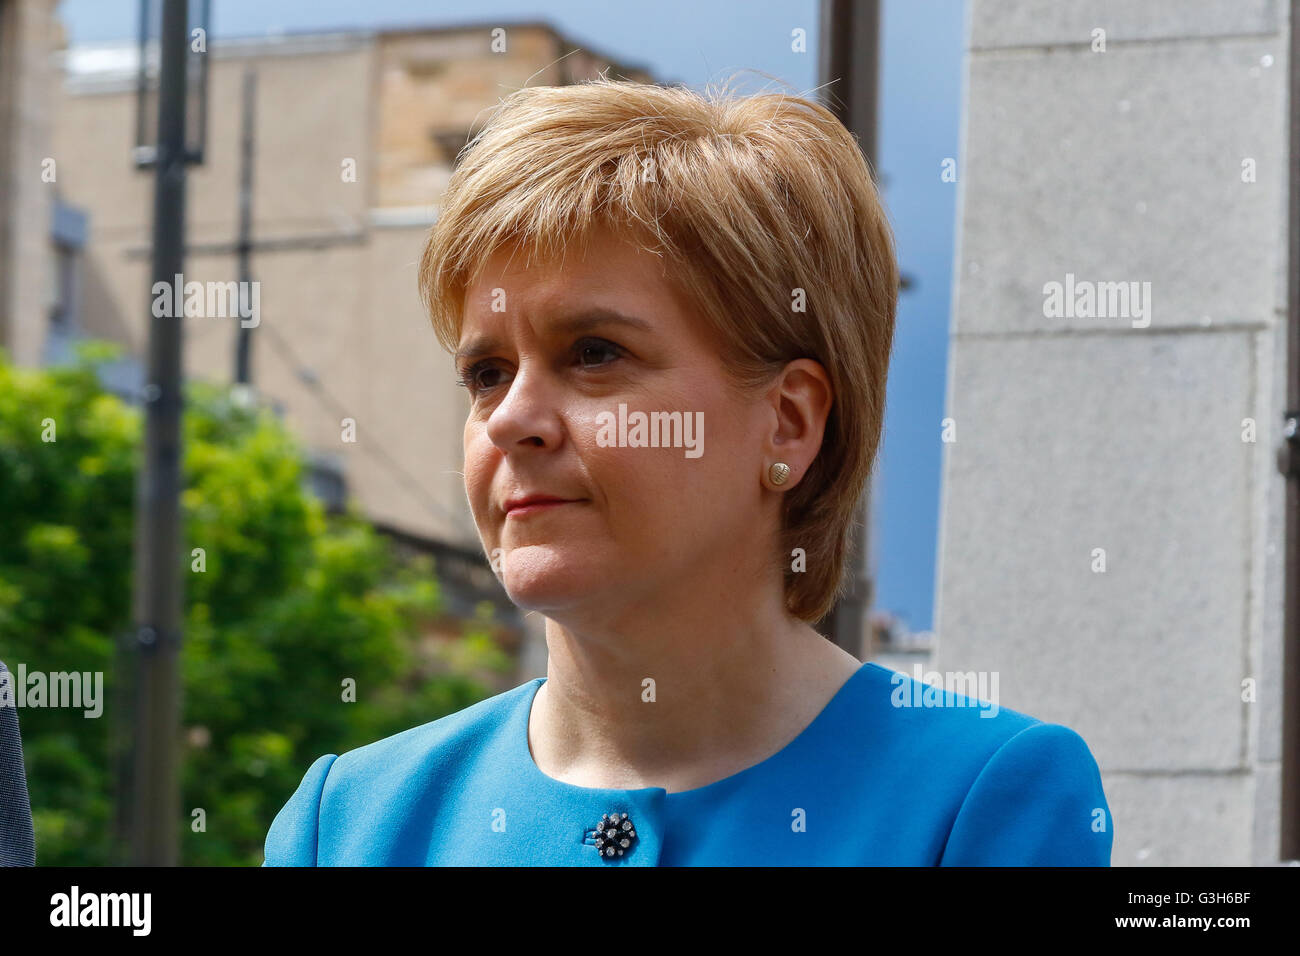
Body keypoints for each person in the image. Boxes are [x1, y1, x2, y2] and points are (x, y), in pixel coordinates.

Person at [263, 78, 1112, 866]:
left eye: (593, 354)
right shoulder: (348, 825)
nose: (513, 418)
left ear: (789, 420)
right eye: (487, 373)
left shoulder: (981, 801)